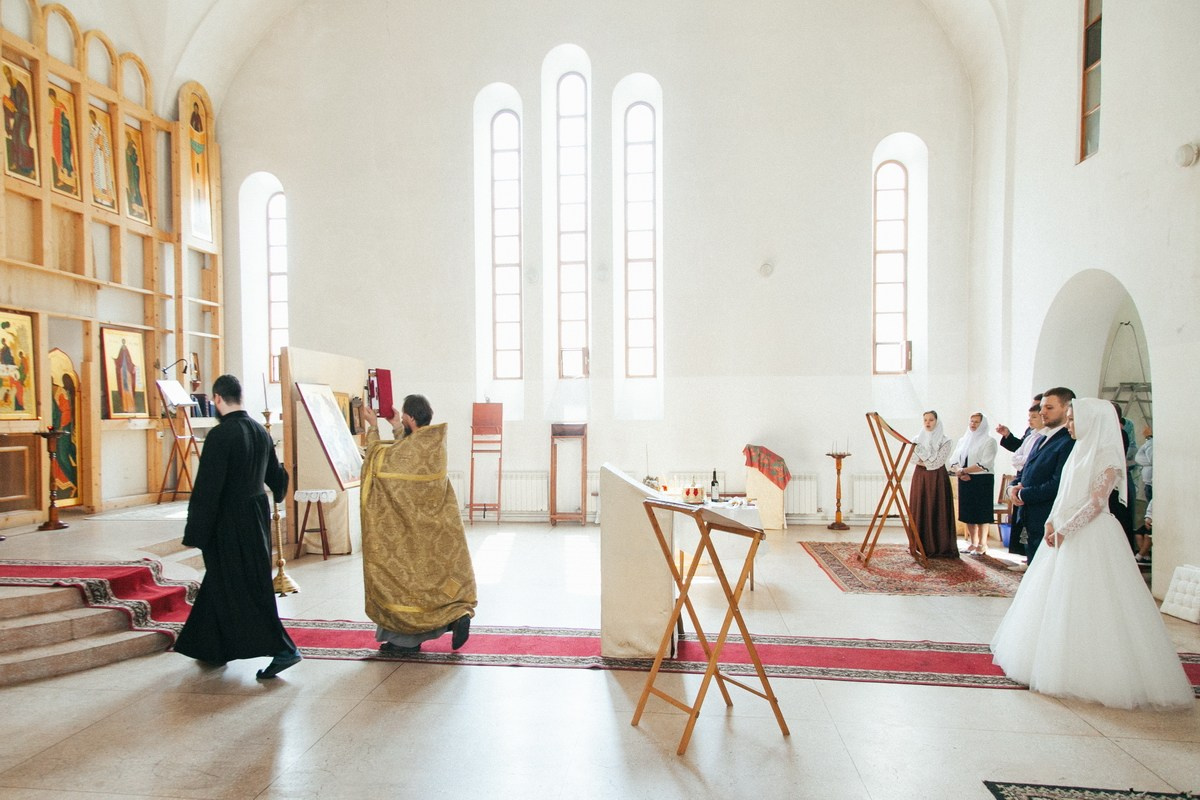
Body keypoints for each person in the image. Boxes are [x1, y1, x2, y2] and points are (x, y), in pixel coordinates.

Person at [991, 398, 1193, 709]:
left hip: (1092, 534)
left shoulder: (1107, 456)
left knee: (1093, 601)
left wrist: (1066, 529)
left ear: (1092, 421)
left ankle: (1090, 672)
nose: (1069, 424)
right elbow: (1065, 494)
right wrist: (1052, 521)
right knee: (1056, 599)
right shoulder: (1079, 450)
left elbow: (1096, 503)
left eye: (1073, 419)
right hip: (1064, 530)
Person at [174, 374, 301, 679]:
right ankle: (209, 647)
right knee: (221, 582)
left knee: (241, 586)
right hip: (255, 516)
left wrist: (196, 531)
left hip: (229, 520)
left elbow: (208, 488)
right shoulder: (259, 431)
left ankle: (284, 649)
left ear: (217, 399)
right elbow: (277, 479)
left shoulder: (220, 435)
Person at [361, 394, 475, 654]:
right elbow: (404, 452)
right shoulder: (432, 443)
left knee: (406, 582)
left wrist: (373, 427)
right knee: (435, 581)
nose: (401, 418)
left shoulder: (411, 448)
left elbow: (378, 462)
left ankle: (404, 642)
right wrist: (395, 425)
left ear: (411, 417)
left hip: (408, 530)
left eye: (403, 415)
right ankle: (456, 615)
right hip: (436, 528)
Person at [1009, 387, 1076, 563]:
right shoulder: (1041, 437)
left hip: (1047, 516)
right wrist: (1012, 488)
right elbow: (1026, 470)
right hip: (1030, 514)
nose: (1042, 412)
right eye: (1042, 407)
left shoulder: (1068, 442)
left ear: (1067, 408)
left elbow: (1057, 483)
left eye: (1049, 407)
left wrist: (1023, 494)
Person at [909, 410, 958, 558]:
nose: (927, 423)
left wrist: (924, 461)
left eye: (931, 420)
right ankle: (919, 544)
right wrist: (926, 462)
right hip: (920, 477)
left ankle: (938, 546)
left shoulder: (945, 441)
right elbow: (911, 458)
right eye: (925, 420)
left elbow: (938, 462)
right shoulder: (917, 439)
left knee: (936, 506)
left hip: (937, 478)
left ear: (937, 421)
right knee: (920, 505)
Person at [950, 412, 998, 555]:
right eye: (971, 421)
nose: (973, 424)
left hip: (982, 480)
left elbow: (985, 463)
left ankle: (982, 544)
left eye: (977, 422)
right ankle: (973, 543)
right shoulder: (963, 440)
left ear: (983, 424)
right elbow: (953, 460)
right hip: (965, 479)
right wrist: (960, 472)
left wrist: (964, 471)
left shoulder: (989, 441)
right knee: (968, 513)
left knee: (981, 513)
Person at [1003, 404, 1044, 561]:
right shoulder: (1030, 435)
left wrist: (1025, 462)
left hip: (1033, 486)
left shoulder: (1044, 437)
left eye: (1034, 417)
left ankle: (1031, 560)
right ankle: (1027, 557)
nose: (1030, 420)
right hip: (1022, 479)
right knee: (1024, 526)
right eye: (1029, 417)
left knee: (1034, 529)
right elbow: (1016, 457)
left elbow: (1033, 461)